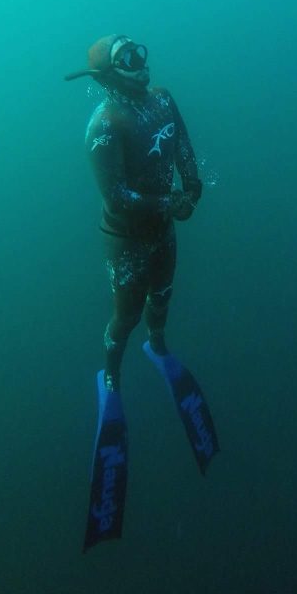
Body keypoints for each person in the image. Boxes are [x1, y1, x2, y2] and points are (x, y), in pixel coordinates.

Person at [66, 34, 203, 391]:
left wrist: (192, 186)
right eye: (126, 59)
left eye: (137, 53)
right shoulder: (104, 125)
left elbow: (182, 146)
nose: (139, 63)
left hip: (162, 227)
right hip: (125, 240)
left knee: (162, 295)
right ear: (107, 74)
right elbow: (116, 197)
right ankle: (111, 374)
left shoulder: (162, 98)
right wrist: (170, 203)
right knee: (126, 316)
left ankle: (157, 345)